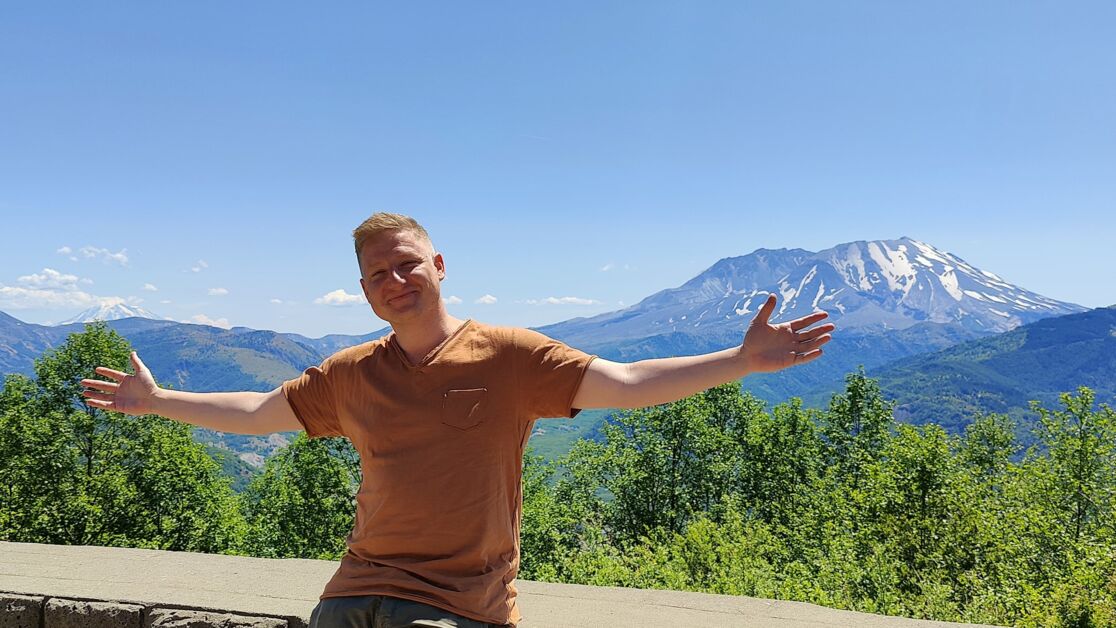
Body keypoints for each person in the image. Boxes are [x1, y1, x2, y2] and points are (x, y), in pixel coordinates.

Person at [81, 212, 834, 628]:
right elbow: (260, 410)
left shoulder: (508, 357)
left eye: (407, 262)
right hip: (351, 593)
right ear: (366, 293)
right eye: (378, 274)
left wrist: (739, 361)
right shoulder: (350, 373)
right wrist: (155, 403)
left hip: (455, 607)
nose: (395, 279)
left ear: (439, 265)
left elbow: (629, 381)